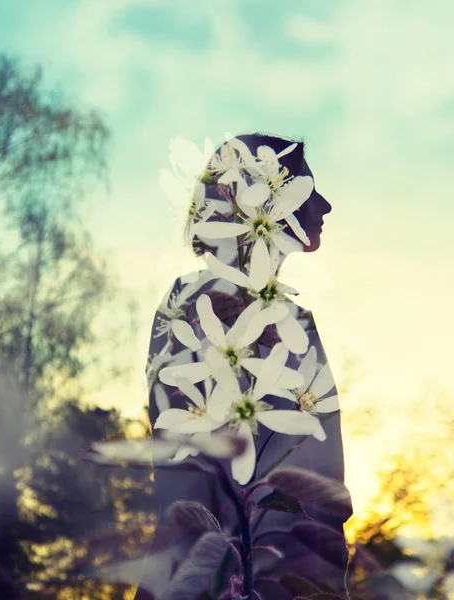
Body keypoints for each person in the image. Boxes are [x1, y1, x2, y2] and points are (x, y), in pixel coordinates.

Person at [135, 133, 353, 600]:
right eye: (310, 189)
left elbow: (324, 487)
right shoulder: (195, 304)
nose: (327, 206)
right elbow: (187, 478)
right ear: (260, 201)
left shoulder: (293, 318)